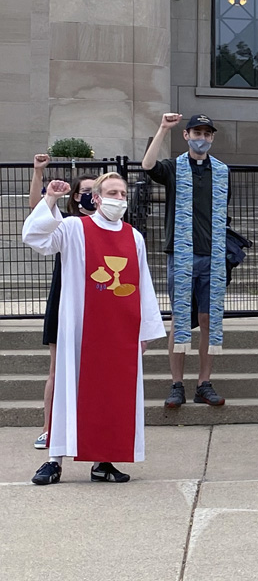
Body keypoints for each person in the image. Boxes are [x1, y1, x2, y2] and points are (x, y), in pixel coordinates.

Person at [24, 173, 165, 485]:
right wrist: (50, 199)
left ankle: (104, 461)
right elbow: (36, 238)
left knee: (112, 395)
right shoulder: (75, 228)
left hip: (119, 331)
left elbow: (142, 285)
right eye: (111, 192)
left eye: (122, 193)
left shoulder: (134, 237)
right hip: (80, 328)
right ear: (97, 198)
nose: (118, 198)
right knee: (68, 389)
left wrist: (144, 332)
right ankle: (54, 459)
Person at [142, 113, 228, 409]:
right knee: (180, 319)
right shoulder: (174, 168)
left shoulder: (220, 170)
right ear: (187, 135)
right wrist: (164, 128)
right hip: (181, 254)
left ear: (212, 137)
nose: (202, 138)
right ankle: (177, 383)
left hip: (212, 255)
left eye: (207, 133)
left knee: (208, 319)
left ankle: (204, 382)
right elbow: (148, 165)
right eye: (196, 132)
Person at [28, 156, 96, 450]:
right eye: (85, 192)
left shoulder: (115, 228)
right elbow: (36, 215)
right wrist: (41, 178)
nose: (91, 197)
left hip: (97, 303)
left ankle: (90, 430)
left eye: (97, 191)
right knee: (57, 369)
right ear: (76, 198)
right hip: (65, 301)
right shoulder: (67, 224)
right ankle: (49, 428)